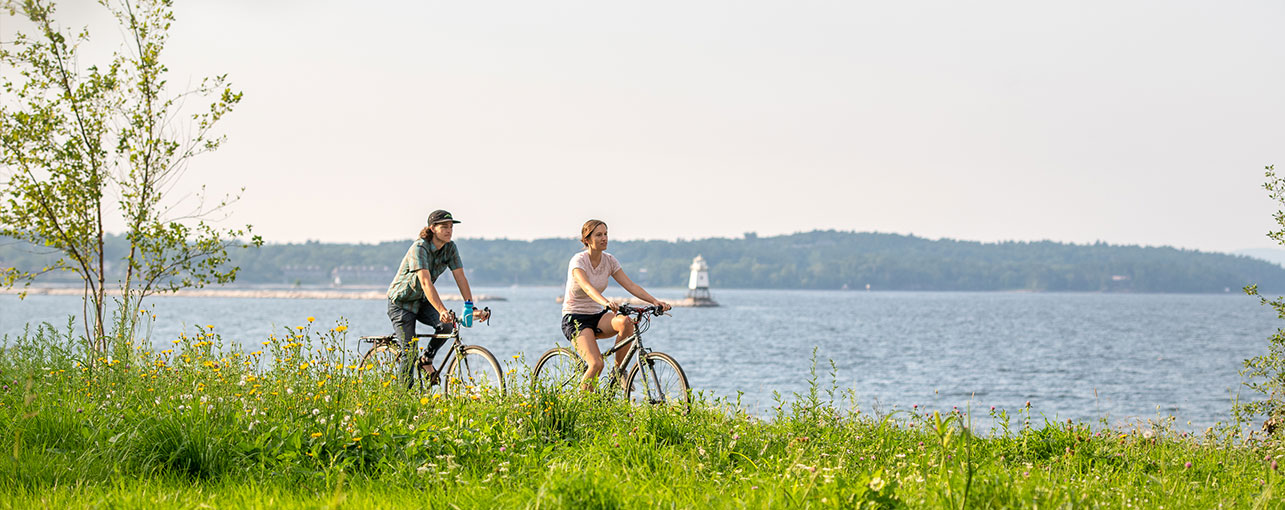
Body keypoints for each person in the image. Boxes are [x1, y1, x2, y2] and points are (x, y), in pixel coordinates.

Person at [561, 219, 671, 391]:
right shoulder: (578, 261)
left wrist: (654, 301)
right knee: (596, 364)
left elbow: (631, 285)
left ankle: (619, 371)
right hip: (575, 319)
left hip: (597, 316)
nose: (604, 238)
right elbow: (588, 288)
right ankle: (582, 407)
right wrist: (606, 302)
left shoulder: (609, 261)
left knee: (626, 322)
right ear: (587, 239)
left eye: (606, 234)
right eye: (598, 235)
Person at [386, 209, 489, 388]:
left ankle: (427, 360)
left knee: (447, 326)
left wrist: (471, 306)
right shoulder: (419, 248)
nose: (449, 230)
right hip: (401, 304)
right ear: (432, 228)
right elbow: (425, 283)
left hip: (422, 301)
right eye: (444, 227)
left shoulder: (450, 248)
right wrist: (442, 310)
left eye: (450, 227)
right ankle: (403, 400)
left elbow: (460, 277)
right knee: (409, 353)